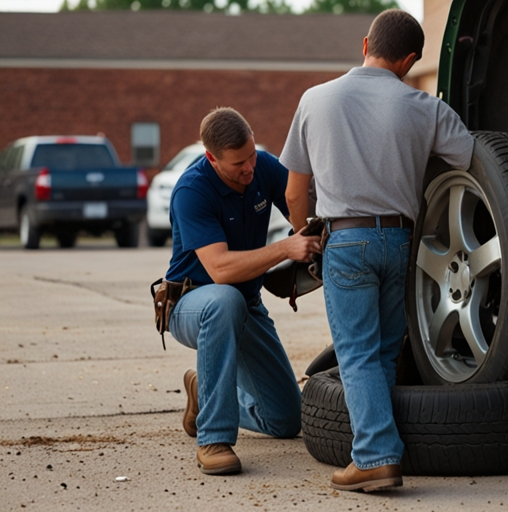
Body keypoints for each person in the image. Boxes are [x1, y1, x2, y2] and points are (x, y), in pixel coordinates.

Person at [280, 9, 475, 492]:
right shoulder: (424, 107)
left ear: (364, 42)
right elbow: (472, 158)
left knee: (357, 354)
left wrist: (306, 235)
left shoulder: (315, 99)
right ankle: (379, 447)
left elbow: (293, 191)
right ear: (410, 60)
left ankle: (375, 457)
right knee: (384, 351)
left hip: (345, 239)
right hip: (401, 242)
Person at [165, 107, 322, 475]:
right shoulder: (192, 191)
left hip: (246, 305)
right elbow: (219, 270)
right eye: (238, 164)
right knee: (225, 299)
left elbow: (305, 207)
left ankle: (205, 395)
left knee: (286, 419)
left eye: (251, 155)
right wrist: (284, 249)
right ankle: (214, 438)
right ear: (211, 158)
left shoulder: (263, 166)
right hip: (193, 302)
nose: (249, 169)